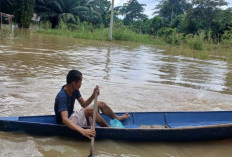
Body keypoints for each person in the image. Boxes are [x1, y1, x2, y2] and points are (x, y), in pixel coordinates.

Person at [54, 70, 130, 139]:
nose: (81, 84)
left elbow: (84, 104)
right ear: (74, 83)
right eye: (80, 82)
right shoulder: (62, 96)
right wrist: (82, 131)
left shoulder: (74, 90)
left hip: (72, 116)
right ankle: (109, 129)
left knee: (100, 104)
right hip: (66, 123)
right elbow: (64, 120)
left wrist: (93, 95)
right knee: (90, 110)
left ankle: (116, 117)